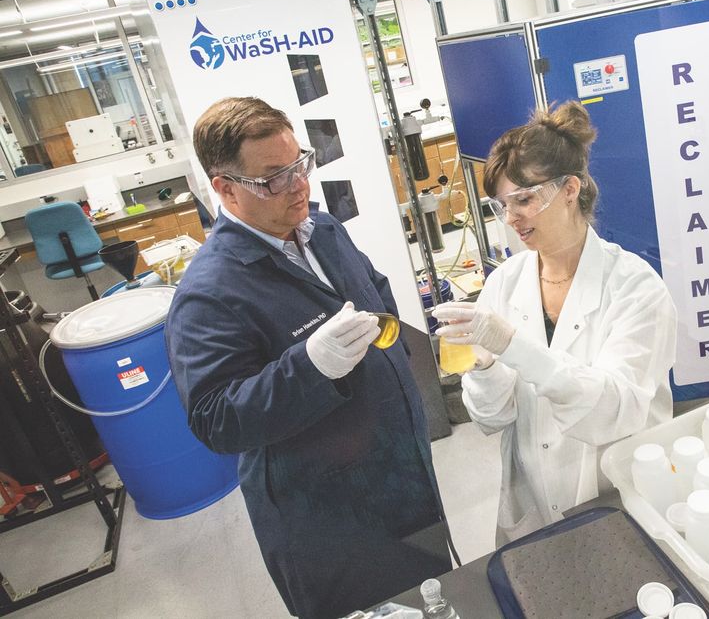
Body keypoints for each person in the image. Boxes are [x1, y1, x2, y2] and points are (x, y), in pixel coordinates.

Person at [164, 97, 452, 618]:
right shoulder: (210, 292)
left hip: (402, 473)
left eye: (300, 163)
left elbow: (376, 288)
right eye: (273, 177)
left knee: (432, 597)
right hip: (325, 513)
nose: (298, 185)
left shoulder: (322, 229)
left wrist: (390, 351)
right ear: (224, 186)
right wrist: (308, 367)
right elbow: (215, 419)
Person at [432, 101, 677, 545]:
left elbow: (613, 412)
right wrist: (484, 367)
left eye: (524, 199)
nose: (511, 218)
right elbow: (490, 419)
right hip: (530, 498)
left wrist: (515, 348)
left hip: (614, 494)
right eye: (500, 204)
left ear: (569, 189)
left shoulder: (636, 289)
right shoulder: (505, 284)